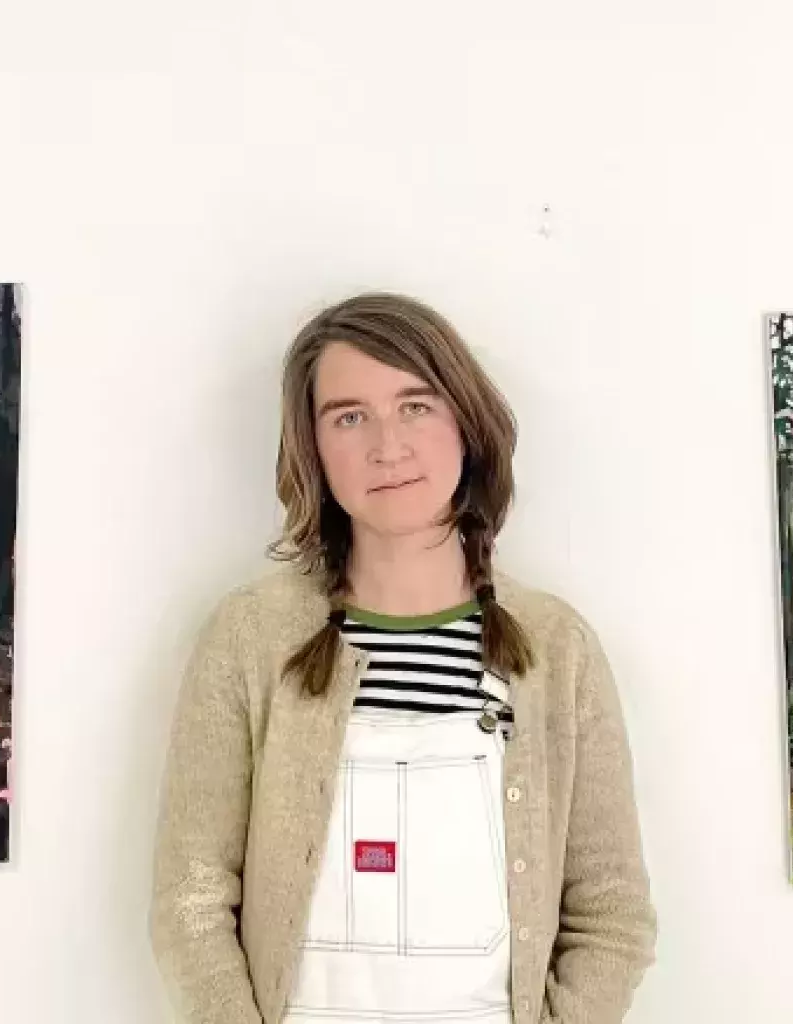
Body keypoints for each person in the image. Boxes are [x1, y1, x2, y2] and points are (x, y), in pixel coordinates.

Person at [149, 292, 657, 1024]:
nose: (388, 446)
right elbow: (190, 899)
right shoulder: (250, 637)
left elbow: (612, 915)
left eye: (415, 405)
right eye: (349, 417)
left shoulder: (555, 649)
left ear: (465, 424)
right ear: (314, 447)